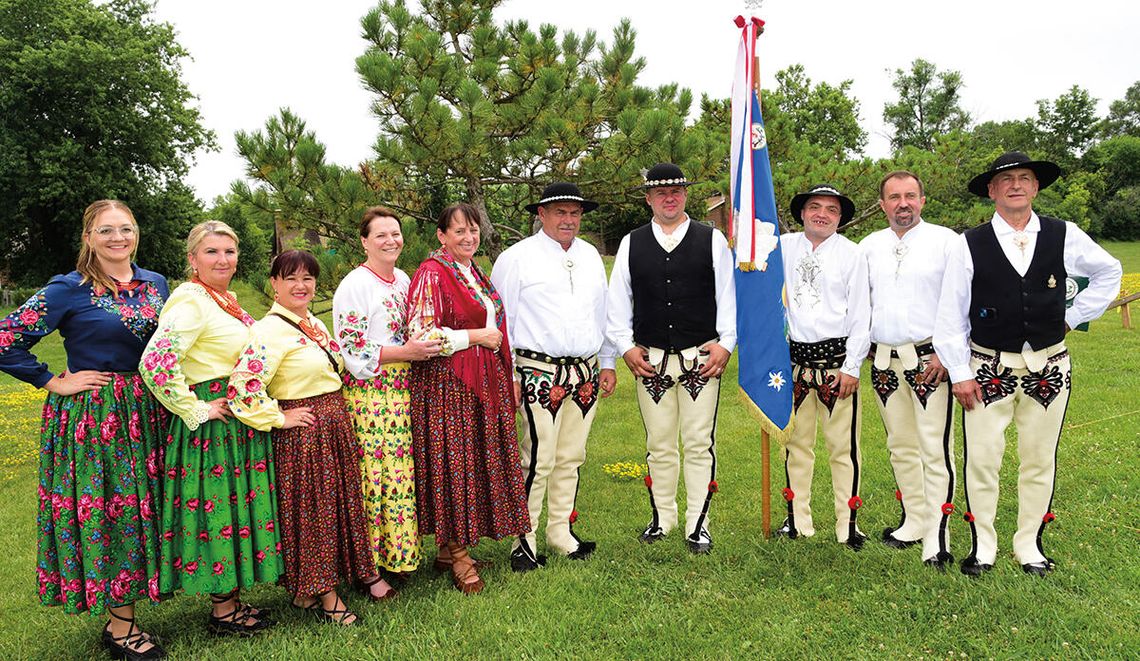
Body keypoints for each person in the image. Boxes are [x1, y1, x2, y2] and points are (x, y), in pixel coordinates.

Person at [934, 151, 1122, 577]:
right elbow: (949, 316)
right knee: (982, 459)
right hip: (987, 368)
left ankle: (1029, 545)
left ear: (1036, 187)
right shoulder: (970, 243)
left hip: (1049, 367)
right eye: (1006, 180)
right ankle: (983, 547)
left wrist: (1072, 317)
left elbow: (1110, 271)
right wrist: (961, 375)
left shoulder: (1063, 234)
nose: (1016, 185)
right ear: (991, 191)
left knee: (1039, 458)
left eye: (1024, 178)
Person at [0, 200, 169, 659]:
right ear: (88, 237)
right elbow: (5, 339)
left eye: (127, 229)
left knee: (146, 509)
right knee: (114, 510)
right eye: (106, 230)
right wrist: (53, 380)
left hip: (150, 408)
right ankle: (120, 627)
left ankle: (141, 599)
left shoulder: (155, 284)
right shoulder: (67, 289)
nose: (118, 238)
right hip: (97, 416)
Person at [139, 221, 278, 637]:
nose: (223, 259)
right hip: (212, 424)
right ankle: (222, 610)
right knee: (218, 506)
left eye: (229, 252)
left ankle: (230, 601)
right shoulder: (191, 301)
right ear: (193, 259)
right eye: (212, 252)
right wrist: (195, 408)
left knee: (235, 505)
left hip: (237, 418)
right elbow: (155, 362)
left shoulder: (224, 299)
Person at [228, 250, 382, 624]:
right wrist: (278, 417)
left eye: (308, 279)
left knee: (334, 510)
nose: (301, 286)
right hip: (305, 433)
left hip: (333, 426)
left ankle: (309, 592)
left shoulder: (312, 322)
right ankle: (328, 597)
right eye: (291, 278)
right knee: (316, 514)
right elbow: (242, 388)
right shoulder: (269, 331)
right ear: (274, 284)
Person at [606, 163, 736, 554]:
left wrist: (727, 342)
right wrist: (625, 346)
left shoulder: (710, 240)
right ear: (648, 198)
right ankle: (663, 518)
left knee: (698, 443)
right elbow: (618, 302)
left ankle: (699, 523)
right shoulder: (632, 242)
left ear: (685, 195)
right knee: (659, 443)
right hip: (651, 361)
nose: (669, 198)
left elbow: (728, 295)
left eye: (676, 191)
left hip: (701, 357)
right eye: (661, 192)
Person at [490, 183, 616, 572]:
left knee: (571, 456)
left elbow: (603, 312)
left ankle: (560, 533)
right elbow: (500, 319)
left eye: (574, 213)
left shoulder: (591, 255)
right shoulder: (516, 258)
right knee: (538, 457)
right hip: (536, 370)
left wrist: (608, 360)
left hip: (584, 371)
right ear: (541, 215)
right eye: (559, 212)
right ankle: (523, 540)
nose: (568, 220)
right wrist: (507, 373)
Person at [407, 202, 530, 594]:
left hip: (483, 379)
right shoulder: (432, 272)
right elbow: (421, 334)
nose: (468, 237)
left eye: (473, 229)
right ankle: (459, 556)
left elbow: (496, 325)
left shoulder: (474, 272)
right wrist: (473, 338)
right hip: (449, 384)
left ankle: (448, 549)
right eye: (458, 230)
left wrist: (507, 372)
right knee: (455, 465)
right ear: (441, 236)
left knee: (471, 462)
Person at [332, 208, 441, 590]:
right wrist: (407, 353)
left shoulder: (403, 280)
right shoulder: (355, 285)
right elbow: (353, 349)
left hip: (402, 389)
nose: (390, 241)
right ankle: (367, 567)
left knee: (399, 478)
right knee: (373, 478)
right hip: (370, 392)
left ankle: (397, 557)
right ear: (364, 241)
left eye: (395, 234)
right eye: (380, 235)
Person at [860, 171, 959, 570]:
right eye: (894, 197)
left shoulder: (947, 243)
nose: (903, 203)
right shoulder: (868, 247)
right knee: (900, 445)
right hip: (883, 360)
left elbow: (960, 304)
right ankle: (915, 519)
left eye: (910, 196)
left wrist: (949, 355)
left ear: (922, 199)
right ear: (882, 204)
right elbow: (858, 305)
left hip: (929, 361)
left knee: (934, 449)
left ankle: (938, 535)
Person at [776, 184, 871, 550]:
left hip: (837, 364)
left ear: (840, 218)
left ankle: (848, 524)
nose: (822, 214)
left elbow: (862, 314)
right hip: (795, 364)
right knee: (796, 446)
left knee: (842, 448)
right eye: (814, 207)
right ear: (802, 213)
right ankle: (797, 520)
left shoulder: (852, 255)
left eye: (831, 210)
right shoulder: (783, 247)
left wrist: (852, 366)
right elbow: (749, 257)